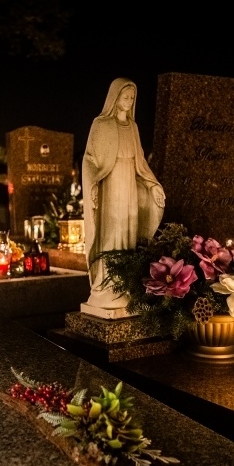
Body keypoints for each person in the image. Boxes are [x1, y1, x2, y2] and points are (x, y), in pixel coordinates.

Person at [82, 78, 165, 311]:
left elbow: (140, 163)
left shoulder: (134, 127)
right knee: (111, 235)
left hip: (129, 188)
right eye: (125, 97)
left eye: (132, 98)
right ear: (115, 98)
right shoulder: (101, 125)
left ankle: (125, 285)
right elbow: (90, 159)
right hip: (111, 188)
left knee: (128, 236)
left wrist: (153, 185)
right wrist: (92, 185)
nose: (128, 101)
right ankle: (106, 287)